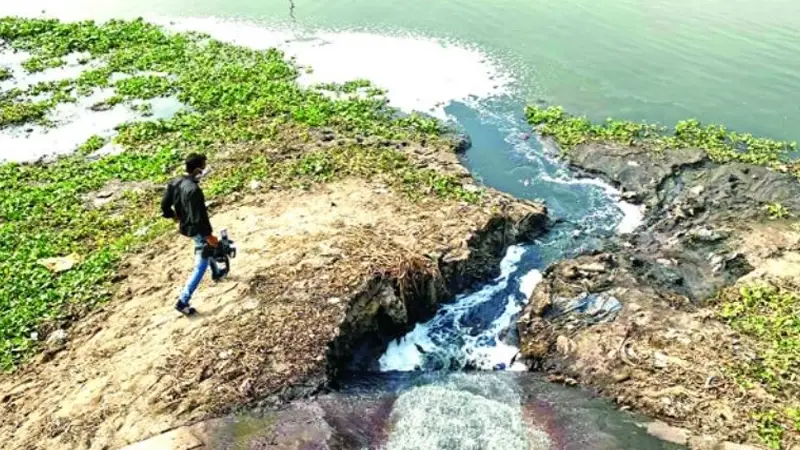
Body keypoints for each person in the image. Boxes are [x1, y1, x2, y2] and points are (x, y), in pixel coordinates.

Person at [161, 153, 227, 316]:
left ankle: (217, 273)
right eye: (203, 168)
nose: (203, 172)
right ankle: (183, 300)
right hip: (196, 229)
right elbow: (200, 219)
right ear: (197, 169)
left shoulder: (174, 182)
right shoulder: (194, 190)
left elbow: (165, 206)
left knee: (207, 249)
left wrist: (175, 216)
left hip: (186, 227)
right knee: (201, 263)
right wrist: (209, 237)